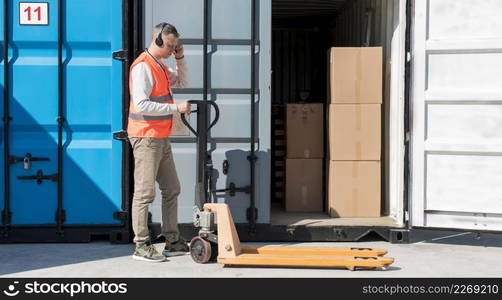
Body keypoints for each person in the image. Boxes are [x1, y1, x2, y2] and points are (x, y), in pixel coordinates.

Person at [127, 22, 191, 262]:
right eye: (172, 46)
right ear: (159, 41)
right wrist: (176, 108)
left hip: (161, 137)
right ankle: (141, 245)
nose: (173, 50)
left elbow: (182, 82)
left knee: (172, 189)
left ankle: (172, 241)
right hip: (146, 137)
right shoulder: (142, 67)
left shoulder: (160, 66)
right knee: (144, 193)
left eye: (176, 46)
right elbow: (142, 104)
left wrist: (181, 57)